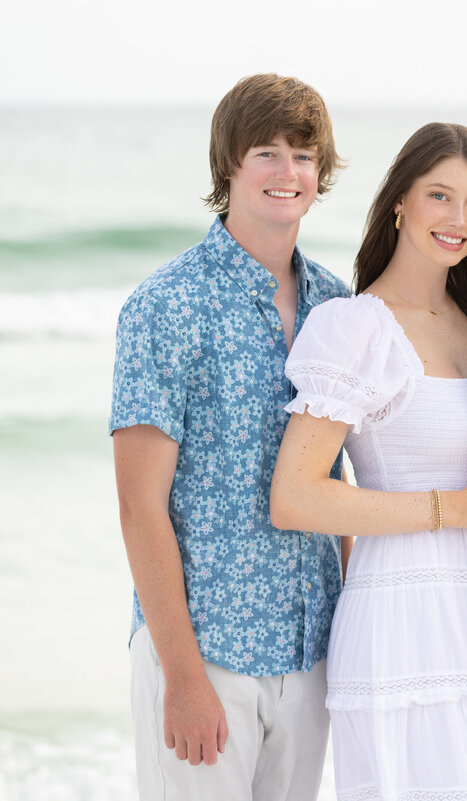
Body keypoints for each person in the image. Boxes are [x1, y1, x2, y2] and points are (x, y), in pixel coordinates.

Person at [269, 122, 467, 800]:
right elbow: (296, 495)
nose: (459, 220)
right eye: (440, 197)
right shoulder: (358, 326)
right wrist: (454, 507)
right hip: (400, 620)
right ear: (399, 201)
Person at [110, 73, 349, 800]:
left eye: (304, 156)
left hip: (309, 650)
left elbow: (339, 484)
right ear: (229, 167)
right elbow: (139, 504)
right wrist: (181, 676)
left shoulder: (337, 307)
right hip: (205, 649)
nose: (288, 172)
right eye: (267, 153)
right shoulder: (165, 307)